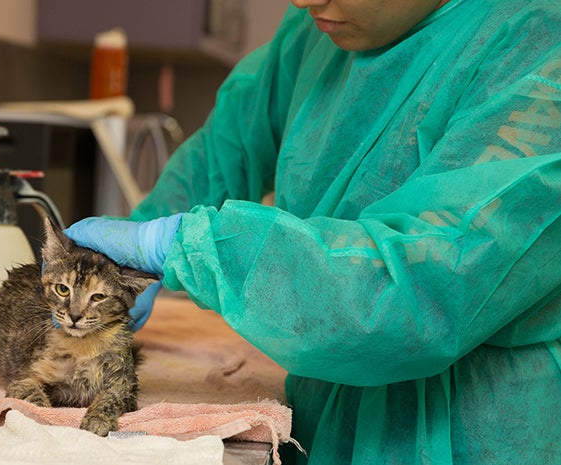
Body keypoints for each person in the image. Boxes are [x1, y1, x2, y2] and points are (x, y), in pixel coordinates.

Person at [65, 0, 561, 463]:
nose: (303, 0)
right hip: (318, 425)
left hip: (473, 437)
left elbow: (415, 291)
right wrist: (127, 253)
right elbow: (223, 152)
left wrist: (188, 246)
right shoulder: (313, 37)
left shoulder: (537, 48)